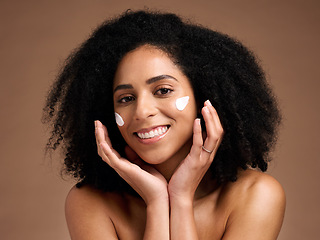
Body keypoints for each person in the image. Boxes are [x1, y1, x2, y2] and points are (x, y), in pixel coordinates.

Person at [43, 10, 286, 239]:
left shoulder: (257, 195)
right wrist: (157, 202)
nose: (142, 111)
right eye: (126, 98)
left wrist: (180, 198)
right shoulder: (89, 202)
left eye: (163, 90)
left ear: (204, 97)